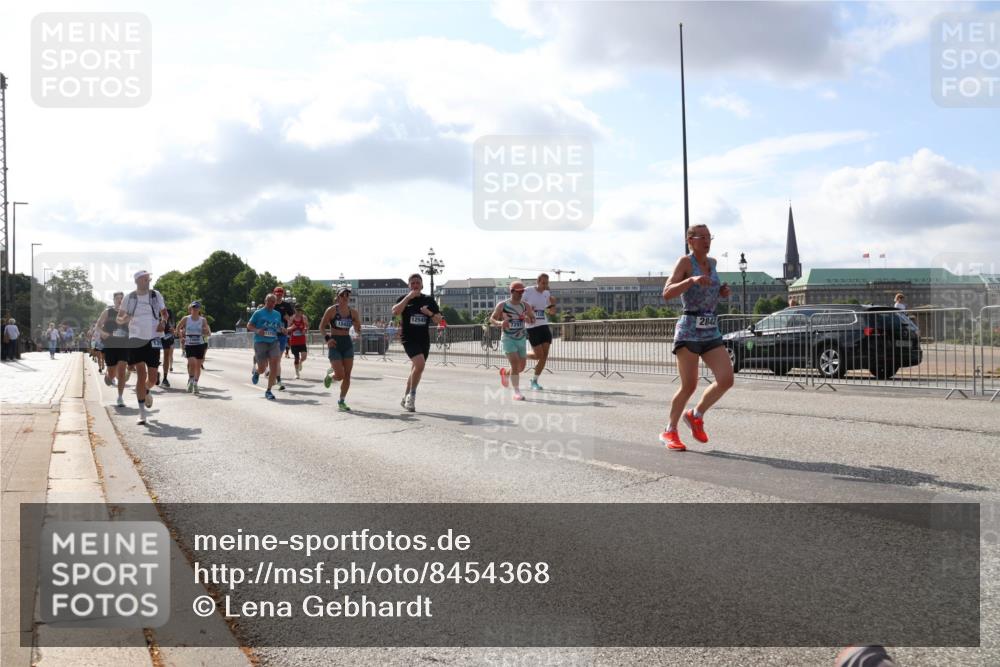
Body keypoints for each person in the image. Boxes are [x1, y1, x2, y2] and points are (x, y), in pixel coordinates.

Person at [659, 224, 734, 451]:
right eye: (702, 237)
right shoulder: (685, 263)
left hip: (710, 328)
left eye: (709, 236)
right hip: (690, 328)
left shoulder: (712, 263)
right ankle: (669, 431)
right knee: (689, 385)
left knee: (726, 379)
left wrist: (721, 292)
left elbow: (709, 292)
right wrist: (690, 280)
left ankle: (695, 414)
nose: (707, 240)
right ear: (690, 240)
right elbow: (667, 293)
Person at [117, 271, 168, 425]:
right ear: (138, 281)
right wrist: (127, 318)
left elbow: (164, 313)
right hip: (136, 339)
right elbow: (119, 319)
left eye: (149, 279)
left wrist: (163, 322)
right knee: (141, 374)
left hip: (153, 337)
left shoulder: (155, 295)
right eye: (145, 279)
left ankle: (146, 390)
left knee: (152, 379)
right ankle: (142, 413)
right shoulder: (130, 298)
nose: (148, 281)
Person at [391, 273, 442, 412]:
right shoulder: (403, 299)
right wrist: (408, 298)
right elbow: (395, 312)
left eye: (417, 283)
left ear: (422, 285)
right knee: (420, 365)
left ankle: (405, 397)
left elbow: (439, 320)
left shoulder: (429, 300)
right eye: (412, 283)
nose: (415, 285)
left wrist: (429, 313)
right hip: (409, 338)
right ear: (409, 285)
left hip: (423, 339)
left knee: (416, 369)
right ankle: (412, 397)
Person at [491, 281, 536, 401]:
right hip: (508, 339)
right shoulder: (502, 305)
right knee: (515, 364)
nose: (521, 294)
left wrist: (528, 318)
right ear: (512, 292)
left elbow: (533, 319)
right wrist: (500, 323)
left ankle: (505, 372)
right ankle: (517, 392)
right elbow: (492, 319)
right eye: (519, 291)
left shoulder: (525, 305)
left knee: (521, 367)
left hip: (521, 339)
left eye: (522, 291)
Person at [318, 287, 361, 411]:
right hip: (335, 343)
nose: (346, 297)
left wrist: (358, 329)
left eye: (347, 295)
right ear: (337, 297)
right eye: (343, 295)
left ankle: (341, 401)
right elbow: (321, 327)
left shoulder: (353, 312)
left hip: (347, 343)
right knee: (340, 375)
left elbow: (358, 328)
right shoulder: (331, 310)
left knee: (347, 375)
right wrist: (327, 339)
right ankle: (330, 375)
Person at [522, 272, 557, 390]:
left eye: (547, 283)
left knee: (544, 356)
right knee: (538, 355)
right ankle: (522, 354)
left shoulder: (547, 293)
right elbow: (518, 306)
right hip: (532, 327)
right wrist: (525, 315)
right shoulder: (528, 291)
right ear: (537, 282)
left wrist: (552, 304)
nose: (545, 285)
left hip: (544, 325)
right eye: (543, 283)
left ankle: (534, 381)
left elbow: (551, 313)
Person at [247, 294, 286, 400]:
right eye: (270, 301)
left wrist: (282, 329)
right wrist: (257, 330)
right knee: (262, 368)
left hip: (273, 342)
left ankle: (268, 390)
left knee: (274, 363)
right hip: (260, 342)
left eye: (274, 302)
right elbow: (249, 325)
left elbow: (278, 326)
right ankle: (257, 372)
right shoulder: (258, 313)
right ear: (265, 301)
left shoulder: (277, 314)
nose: (271, 304)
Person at [176, 302, 211, 394]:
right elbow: (178, 328)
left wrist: (205, 330)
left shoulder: (203, 320)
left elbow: (207, 332)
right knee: (192, 363)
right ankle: (191, 381)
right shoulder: (186, 319)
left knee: (198, 366)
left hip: (200, 344)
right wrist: (181, 337)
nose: (195, 309)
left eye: (197, 308)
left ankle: (195, 383)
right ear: (190, 309)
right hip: (189, 344)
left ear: (199, 309)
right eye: (193, 308)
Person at [272, 286, 295, 389]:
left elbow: (294, 319)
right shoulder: (270, 304)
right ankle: (277, 378)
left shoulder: (286, 305)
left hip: (282, 335)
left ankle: (277, 378)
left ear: (283, 295)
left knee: (278, 359)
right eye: (277, 294)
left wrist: (288, 320)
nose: (279, 296)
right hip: (271, 335)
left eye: (280, 294)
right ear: (274, 294)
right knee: (274, 359)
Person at [288, 305, 310, 379]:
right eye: (297, 310)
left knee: (304, 357)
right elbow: (287, 328)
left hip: (302, 340)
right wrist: (292, 327)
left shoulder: (304, 318)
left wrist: (305, 329)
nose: (299, 312)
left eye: (300, 310)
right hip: (294, 341)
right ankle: (297, 373)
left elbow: (307, 326)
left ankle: (301, 362)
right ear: (295, 310)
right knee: (296, 357)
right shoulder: (291, 318)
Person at [158, 307, 176, 387]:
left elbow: (174, 330)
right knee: (155, 357)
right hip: (157, 337)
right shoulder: (156, 317)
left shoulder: (171, 319)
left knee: (166, 357)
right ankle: (155, 373)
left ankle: (165, 378)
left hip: (167, 338)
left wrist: (173, 331)